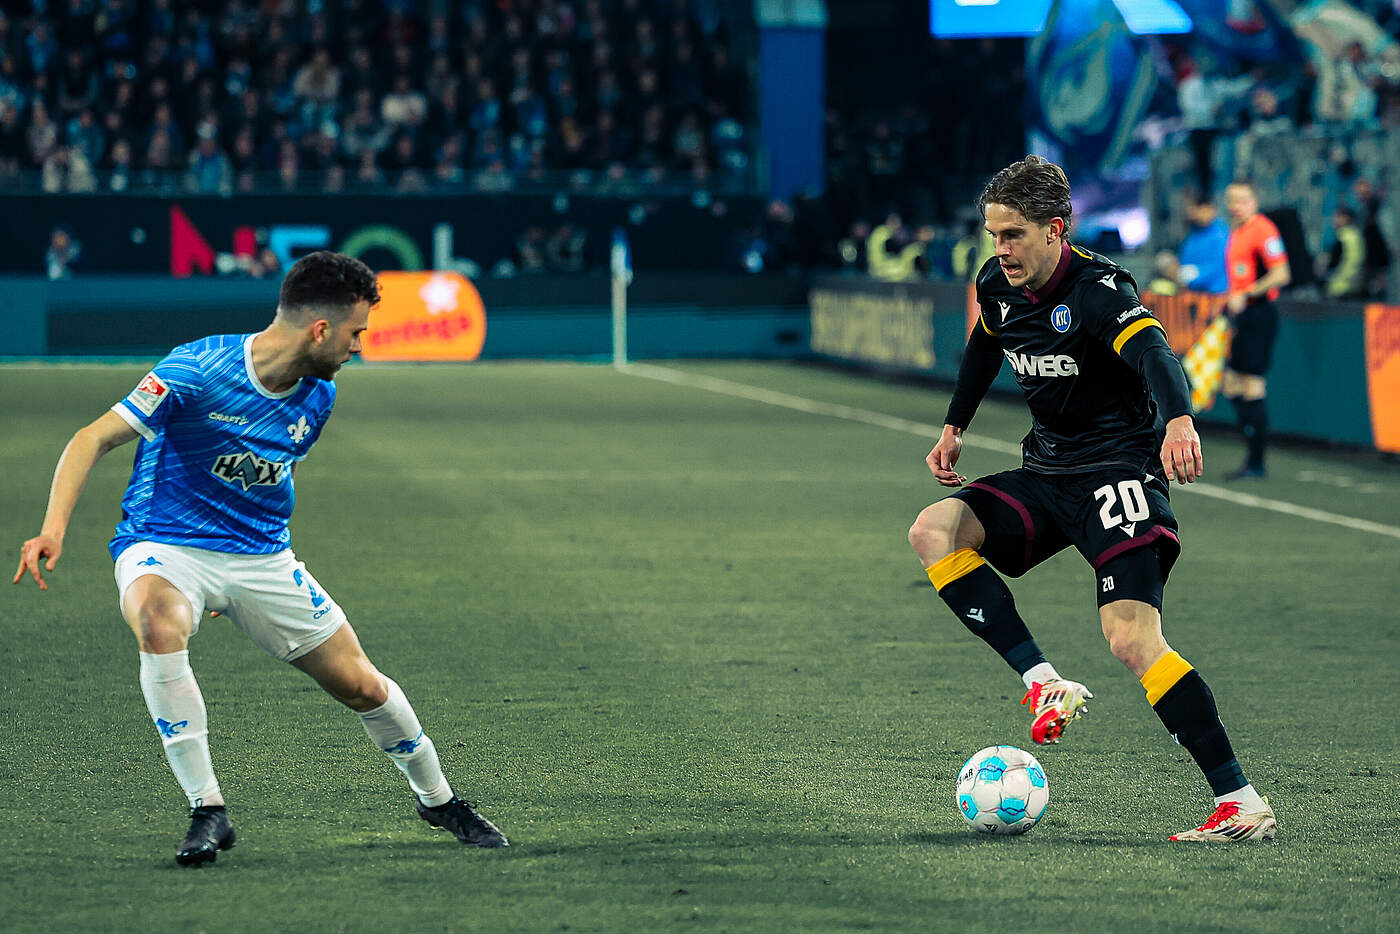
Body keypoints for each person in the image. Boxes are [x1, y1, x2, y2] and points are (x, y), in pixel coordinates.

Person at [14, 252, 508, 865]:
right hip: (166, 543)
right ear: (320, 330)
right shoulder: (197, 368)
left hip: (262, 558)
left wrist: (232, 588)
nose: (359, 346)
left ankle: (439, 800)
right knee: (158, 621)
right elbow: (91, 437)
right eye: (355, 332)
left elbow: (271, 479)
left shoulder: (318, 395)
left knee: (362, 686)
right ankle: (208, 810)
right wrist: (52, 530)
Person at [907, 155, 1276, 842]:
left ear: (1055, 229)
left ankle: (1242, 801)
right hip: (1047, 473)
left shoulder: (1101, 290)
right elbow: (985, 347)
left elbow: (1156, 355)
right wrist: (954, 427)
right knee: (935, 531)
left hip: (1117, 475)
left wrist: (1180, 420)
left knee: (1131, 639)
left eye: (1013, 235)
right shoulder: (997, 284)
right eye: (994, 235)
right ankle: (1043, 683)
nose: (1000, 250)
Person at [1222, 181, 1290, 480]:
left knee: (1251, 385)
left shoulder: (1263, 229)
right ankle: (1252, 453)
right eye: (1231, 200)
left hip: (1260, 313)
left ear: (1254, 201)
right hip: (1243, 315)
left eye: (1242, 200)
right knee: (1231, 385)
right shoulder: (1237, 232)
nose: (1236, 205)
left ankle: (1256, 462)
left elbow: (1281, 274)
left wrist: (1247, 294)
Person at [1177, 192, 1230, 294]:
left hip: (1216, 295)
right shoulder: (1192, 236)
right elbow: (1184, 262)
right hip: (1193, 294)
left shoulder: (1221, 235)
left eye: (1207, 210)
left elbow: (1217, 267)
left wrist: (1192, 276)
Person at [1322, 205, 1365, 299]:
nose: (1334, 219)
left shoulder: (1344, 237)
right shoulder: (1356, 235)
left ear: (1346, 218)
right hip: (1355, 285)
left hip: (1341, 287)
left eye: (1337, 216)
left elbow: (1335, 263)